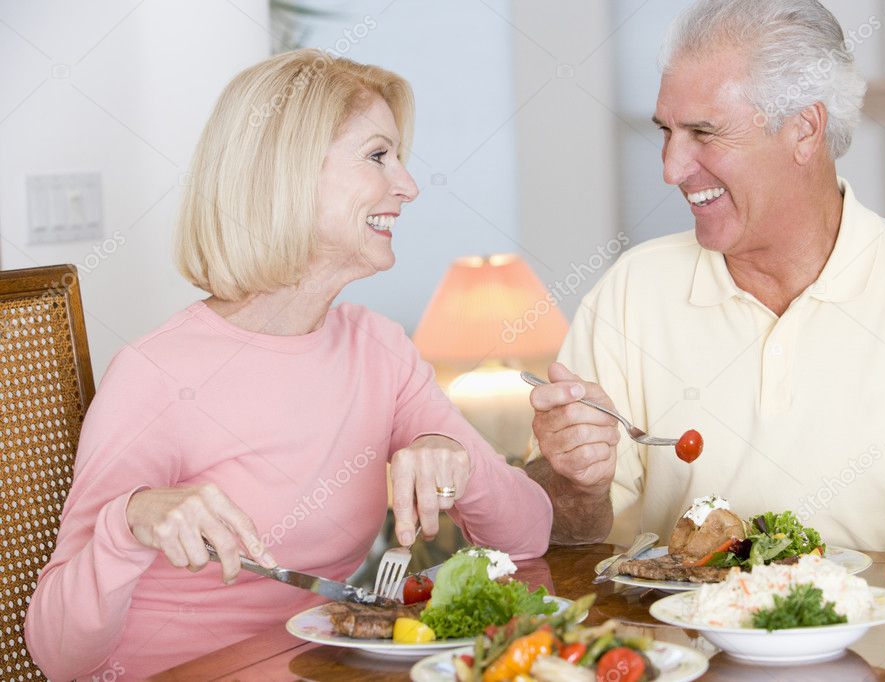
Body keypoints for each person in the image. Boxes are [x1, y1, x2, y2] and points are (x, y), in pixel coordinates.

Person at [25, 50, 552, 680]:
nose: (408, 185)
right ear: (290, 174)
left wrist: (454, 458)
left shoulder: (377, 350)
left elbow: (529, 536)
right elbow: (55, 655)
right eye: (379, 156)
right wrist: (128, 520)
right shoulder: (156, 374)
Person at [526, 0, 885, 612]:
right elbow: (562, 533)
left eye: (704, 133)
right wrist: (576, 484)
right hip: (686, 655)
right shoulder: (632, 291)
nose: (671, 167)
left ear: (804, 130)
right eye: (666, 131)